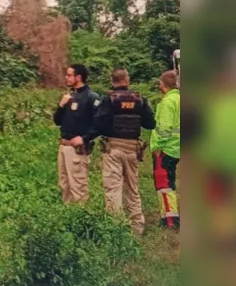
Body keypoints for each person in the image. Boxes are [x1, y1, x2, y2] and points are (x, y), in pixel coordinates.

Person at [93, 68, 156, 235]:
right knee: (132, 187)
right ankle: (137, 226)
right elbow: (150, 124)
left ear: (112, 81)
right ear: (127, 81)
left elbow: (99, 123)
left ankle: (116, 229)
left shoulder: (109, 99)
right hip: (132, 149)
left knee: (113, 188)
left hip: (113, 148)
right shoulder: (139, 99)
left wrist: (87, 137)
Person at [53, 64, 101, 204]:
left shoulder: (91, 97)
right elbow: (57, 121)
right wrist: (61, 105)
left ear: (78, 77)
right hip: (64, 145)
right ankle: (69, 217)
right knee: (64, 184)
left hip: (77, 149)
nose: (66, 78)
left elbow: (98, 123)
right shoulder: (69, 96)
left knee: (78, 186)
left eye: (69, 75)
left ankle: (82, 217)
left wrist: (85, 138)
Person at [151, 69, 181, 228]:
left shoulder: (168, 102)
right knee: (169, 181)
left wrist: (158, 146)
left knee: (164, 185)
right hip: (176, 148)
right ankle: (171, 216)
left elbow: (164, 127)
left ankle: (170, 219)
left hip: (165, 149)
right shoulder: (180, 99)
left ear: (163, 84)